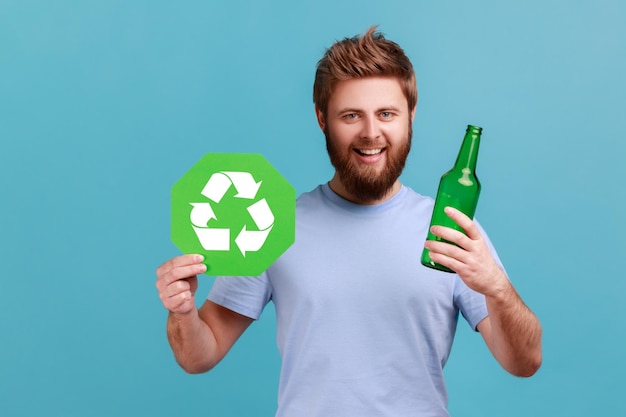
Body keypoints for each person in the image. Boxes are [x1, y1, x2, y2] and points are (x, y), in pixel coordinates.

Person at [156, 26, 542, 417]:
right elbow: (199, 356)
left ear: (411, 115)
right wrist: (183, 311)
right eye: (351, 115)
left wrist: (497, 287)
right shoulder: (271, 226)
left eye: (387, 114)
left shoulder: (449, 229)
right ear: (322, 119)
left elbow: (524, 362)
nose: (371, 133)